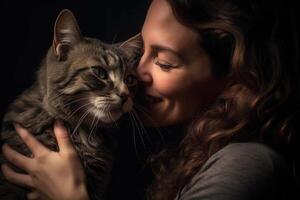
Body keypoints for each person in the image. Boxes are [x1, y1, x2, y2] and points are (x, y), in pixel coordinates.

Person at [1, 0, 299, 199]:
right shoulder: (197, 154)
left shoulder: (247, 165)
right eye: (140, 54)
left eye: (165, 63)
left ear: (236, 78)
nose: (137, 76)